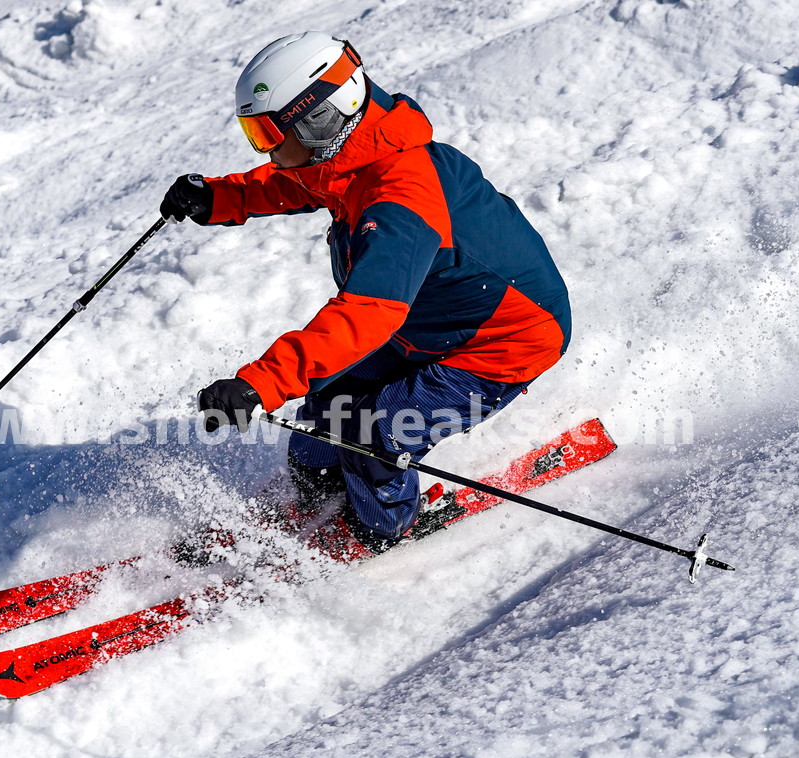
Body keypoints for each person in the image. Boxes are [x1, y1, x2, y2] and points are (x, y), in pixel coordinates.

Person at [161, 31, 570, 552]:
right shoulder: (351, 156)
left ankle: (381, 531)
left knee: (374, 430)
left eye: (268, 133)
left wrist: (261, 384)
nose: (265, 148)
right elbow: (295, 183)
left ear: (321, 115)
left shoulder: (403, 192)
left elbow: (366, 314)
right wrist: (219, 197)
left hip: (504, 341)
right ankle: (320, 494)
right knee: (329, 404)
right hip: (427, 323)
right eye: (254, 133)